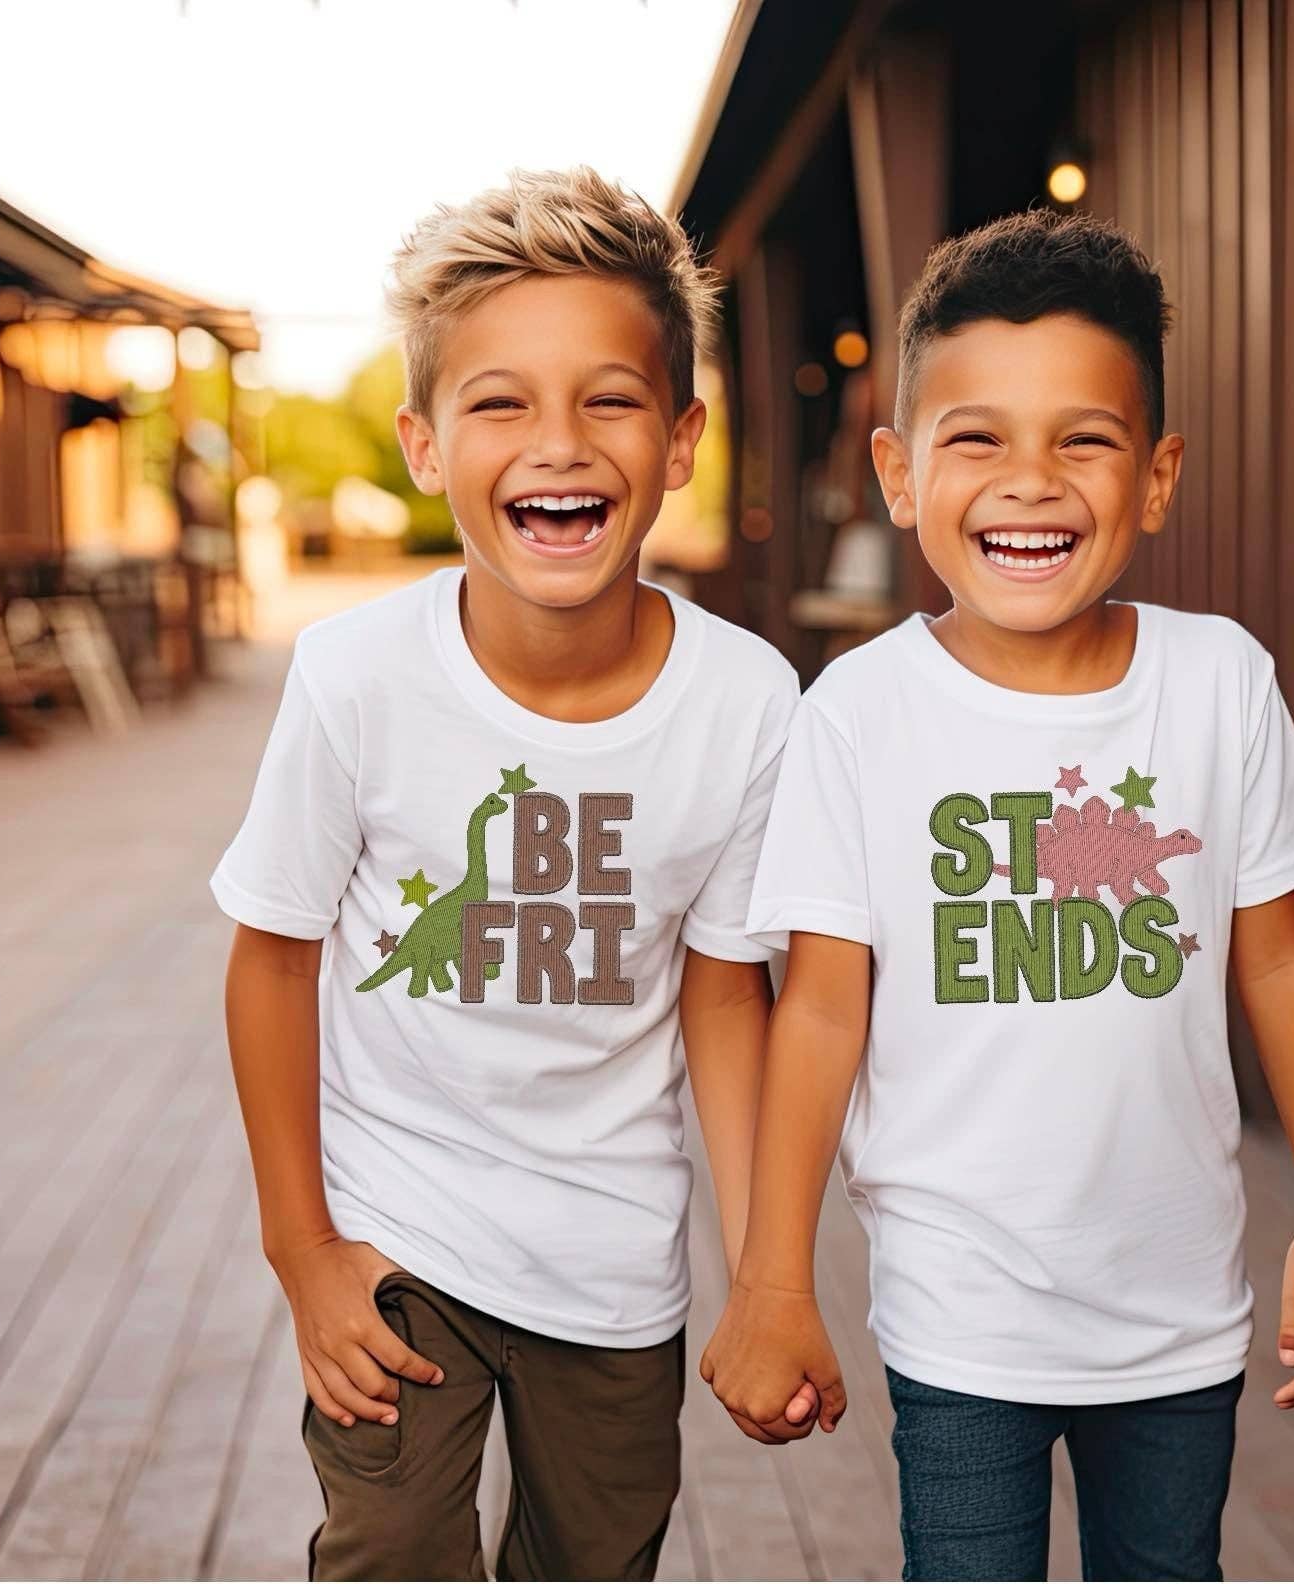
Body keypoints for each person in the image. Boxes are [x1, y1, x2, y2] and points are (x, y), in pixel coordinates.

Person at [700, 207, 1294, 1582]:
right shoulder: (857, 713)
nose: (1030, 482)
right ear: (900, 474)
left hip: (1176, 1309)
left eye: (1084, 440)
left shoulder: (1220, 683)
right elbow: (818, 1013)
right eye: (978, 439)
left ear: (1158, 476)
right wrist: (772, 1279)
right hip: (960, 1312)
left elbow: (1280, 962)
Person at [211, 166, 813, 1582]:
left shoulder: (748, 702)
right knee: (391, 1550)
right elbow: (273, 958)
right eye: (500, 403)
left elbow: (726, 995)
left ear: (682, 439)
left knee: (597, 1558)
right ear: (426, 445)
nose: (559, 444)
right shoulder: (357, 679)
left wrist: (766, 1273)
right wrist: (302, 1247)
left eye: (610, 400)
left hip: (614, 1258)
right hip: (397, 1236)